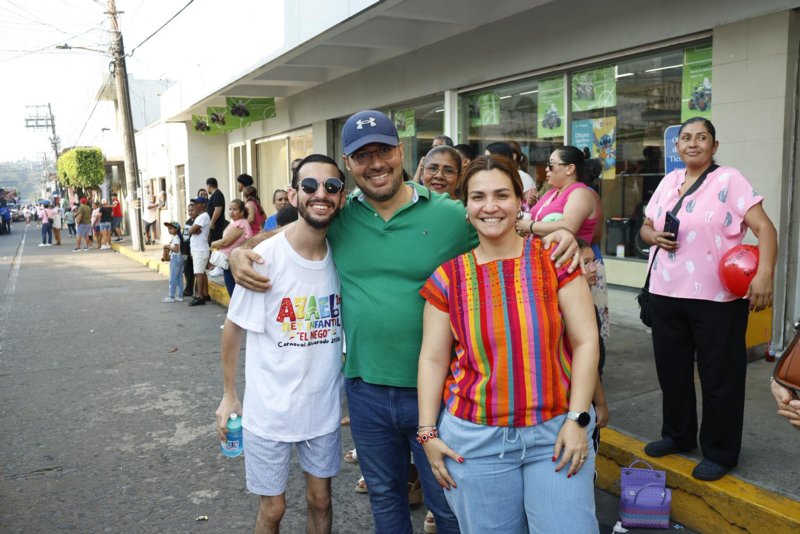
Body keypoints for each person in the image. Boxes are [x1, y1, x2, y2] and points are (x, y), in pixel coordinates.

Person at [230, 109, 580, 534]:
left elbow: (501, 230)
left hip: (437, 391)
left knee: (447, 502)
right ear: (349, 164)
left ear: (401, 152)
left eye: (384, 151)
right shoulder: (342, 216)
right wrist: (241, 250)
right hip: (366, 390)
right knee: (385, 498)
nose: (376, 164)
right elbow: (292, 234)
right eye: (363, 156)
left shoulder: (449, 215)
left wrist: (555, 233)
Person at [416, 155, 599, 534]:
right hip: (474, 441)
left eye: (501, 195)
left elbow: (585, 341)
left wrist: (578, 419)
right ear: (466, 207)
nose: (490, 206)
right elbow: (433, 359)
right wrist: (428, 433)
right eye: (478, 197)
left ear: (520, 201)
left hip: (556, 432)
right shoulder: (448, 278)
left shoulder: (555, 260)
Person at [639, 117, 778, 481]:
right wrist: (653, 237)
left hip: (717, 299)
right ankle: (678, 434)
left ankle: (721, 451)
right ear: (677, 146)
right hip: (665, 294)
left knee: (720, 377)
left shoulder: (729, 180)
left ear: (714, 146)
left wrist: (764, 274)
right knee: (672, 372)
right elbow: (646, 226)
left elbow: (765, 228)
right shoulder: (668, 181)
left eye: (702, 137)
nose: (693, 143)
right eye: (686, 137)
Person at [215, 154, 346, 534]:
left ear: (341, 197)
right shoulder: (265, 259)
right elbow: (233, 329)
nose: (320, 194)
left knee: (321, 500)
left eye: (331, 186)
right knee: (273, 509)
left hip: (322, 409)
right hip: (269, 412)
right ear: (293, 195)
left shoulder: (344, 256)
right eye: (309, 185)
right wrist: (229, 395)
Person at [515, 146, 609, 341]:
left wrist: (530, 226)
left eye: (551, 165)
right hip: (547, 270)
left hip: (572, 270)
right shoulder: (551, 193)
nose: (546, 169)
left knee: (575, 332)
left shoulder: (580, 193)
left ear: (570, 168)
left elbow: (568, 225)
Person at [210, 199, 253, 296]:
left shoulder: (240, 224)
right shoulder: (237, 222)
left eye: (235, 209)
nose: (231, 212)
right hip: (233, 260)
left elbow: (225, 242)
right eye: (230, 209)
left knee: (233, 292)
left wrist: (213, 244)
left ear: (242, 212)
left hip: (233, 261)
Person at [187, 195, 211, 306]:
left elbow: (191, 230)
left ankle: (200, 296)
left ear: (203, 204)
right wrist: (193, 230)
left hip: (200, 249)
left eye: (197, 204)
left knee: (199, 273)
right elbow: (192, 230)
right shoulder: (201, 217)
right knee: (202, 272)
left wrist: (192, 230)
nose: (195, 206)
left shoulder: (203, 216)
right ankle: (205, 294)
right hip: (199, 249)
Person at [162, 221, 185, 303]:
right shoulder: (178, 237)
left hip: (176, 258)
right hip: (180, 257)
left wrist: (168, 247)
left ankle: (171, 296)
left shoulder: (176, 238)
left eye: (171, 228)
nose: (169, 230)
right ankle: (180, 296)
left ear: (176, 229)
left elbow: (176, 249)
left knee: (173, 278)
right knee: (179, 278)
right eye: (168, 228)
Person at [206, 177, 227, 243]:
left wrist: (212, 222)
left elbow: (218, 209)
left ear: (209, 186)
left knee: (214, 243)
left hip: (216, 226)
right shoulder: (215, 194)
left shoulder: (217, 194)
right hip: (214, 225)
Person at [182, 203, 196, 298]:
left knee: (196, 270)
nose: (190, 212)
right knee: (187, 269)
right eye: (189, 210)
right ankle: (188, 289)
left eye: (192, 210)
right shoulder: (188, 222)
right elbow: (185, 236)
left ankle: (197, 290)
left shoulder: (198, 221)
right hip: (186, 250)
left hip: (194, 249)